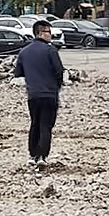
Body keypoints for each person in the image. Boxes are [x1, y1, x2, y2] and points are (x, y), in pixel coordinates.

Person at [13, 19, 65, 168]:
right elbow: (59, 71)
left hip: (33, 95)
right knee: (46, 125)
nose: (51, 35)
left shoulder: (24, 52)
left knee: (35, 123)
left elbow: (18, 73)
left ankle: (32, 154)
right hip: (49, 94)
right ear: (40, 33)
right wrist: (57, 87)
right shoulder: (51, 50)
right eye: (49, 32)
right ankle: (42, 156)